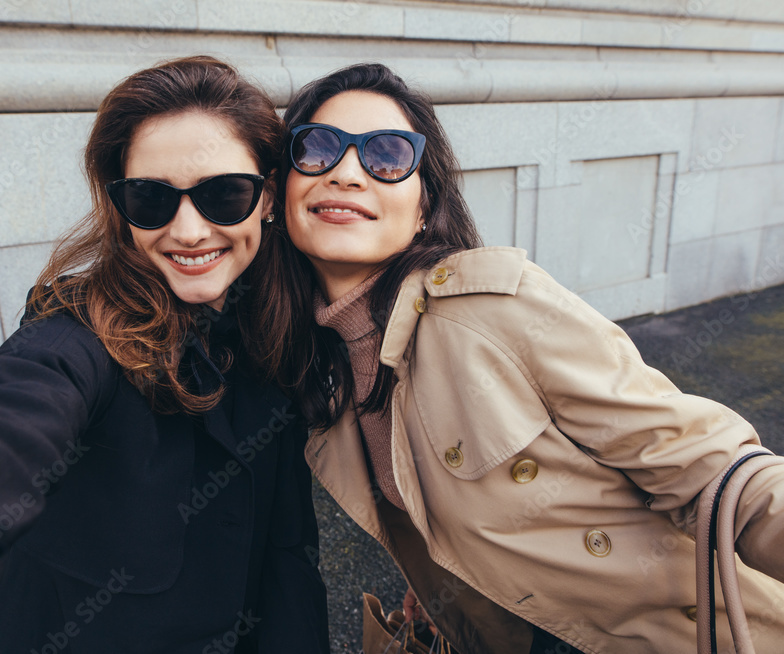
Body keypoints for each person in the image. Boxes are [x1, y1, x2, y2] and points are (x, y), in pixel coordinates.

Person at [0, 56, 329, 653]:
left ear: (269, 198)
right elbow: (0, 411)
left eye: (223, 195)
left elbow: (289, 551)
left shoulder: (280, 326)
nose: (189, 230)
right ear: (121, 212)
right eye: (151, 200)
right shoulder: (78, 333)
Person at [270, 62, 784, 653]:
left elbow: (707, 464)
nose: (347, 174)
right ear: (283, 186)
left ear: (421, 209)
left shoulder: (495, 307)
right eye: (318, 149)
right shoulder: (318, 369)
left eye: (386, 156)